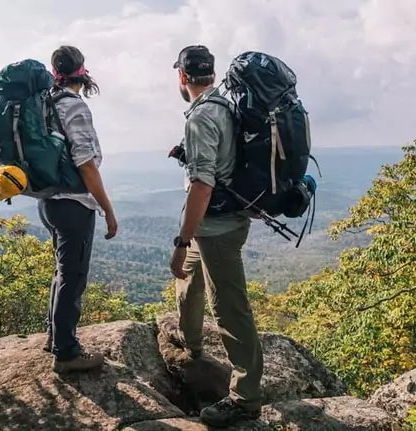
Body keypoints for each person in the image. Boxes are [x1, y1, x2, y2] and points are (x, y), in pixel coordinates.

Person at [166, 45, 264, 428]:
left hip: (217, 227)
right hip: (220, 220)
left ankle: (245, 397)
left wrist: (180, 240)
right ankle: (191, 344)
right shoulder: (226, 107)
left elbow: (202, 185)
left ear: (182, 77)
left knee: (230, 310)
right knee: (188, 277)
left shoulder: (203, 116)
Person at [38, 45, 118, 373]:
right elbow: (85, 163)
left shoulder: (45, 104)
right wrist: (107, 210)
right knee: (73, 277)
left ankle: (54, 336)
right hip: (74, 203)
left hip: (49, 201)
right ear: (81, 69)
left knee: (62, 271)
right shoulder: (74, 107)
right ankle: (67, 353)